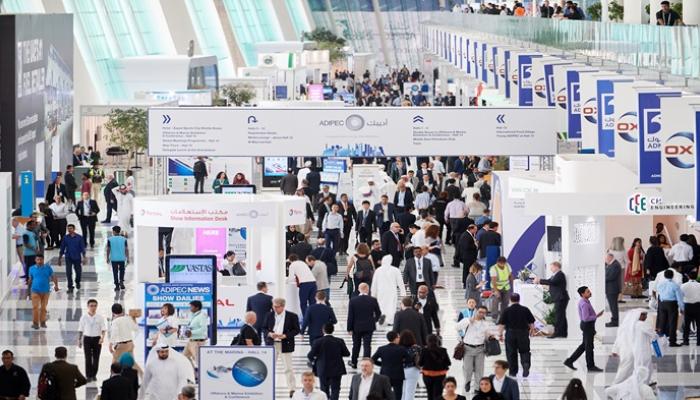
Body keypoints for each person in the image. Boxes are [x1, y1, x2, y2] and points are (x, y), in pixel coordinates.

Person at [455, 306, 500, 393]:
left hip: (480, 349)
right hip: (468, 348)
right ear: (476, 311)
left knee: (479, 370)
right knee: (468, 368)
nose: (481, 314)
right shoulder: (467, 320)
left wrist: (491, 336)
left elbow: (487, 335)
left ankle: (477, 388)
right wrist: (468, 321)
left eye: (483, 312)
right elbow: (457, 327)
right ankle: (467, 381)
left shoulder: (485, 324)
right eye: (480, 312)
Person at [263, 298, 300, 397]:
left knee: (288, 368)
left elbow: (296, 330)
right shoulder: (269, 315)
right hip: (271, 344)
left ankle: (292, 389)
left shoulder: (292, 316)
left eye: (277, 307)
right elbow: (264, 328)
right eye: (273, 306)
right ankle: (266, 387)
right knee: (269, 367)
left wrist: (285, 335)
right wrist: (270, 334)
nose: (274, 308)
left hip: (285, 344)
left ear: (283, 306)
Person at [611, 309, 657, 385]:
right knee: (628, 368)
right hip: (629, 351)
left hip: (629, 350)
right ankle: (618, 384)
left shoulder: (626, 326)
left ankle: (635, 383)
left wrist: (615, 350)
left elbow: (618, 339)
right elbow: (653, 334)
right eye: (644, 315)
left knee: (633, 368)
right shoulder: (639, 325)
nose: (646, 317)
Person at [563, 286, 604, 372]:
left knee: (584, 346)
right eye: (587, 292)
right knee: (589, 347)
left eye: (589, 291)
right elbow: (586, 318)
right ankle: (590, 366)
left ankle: (569, 361)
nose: (590, 292)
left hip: (587, 326)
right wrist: (596, 316)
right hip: (587, 326)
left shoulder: (585, 301)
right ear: (582, 294)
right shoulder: (584, 304)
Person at [307, 323, 349, 400]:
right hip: (337, 369)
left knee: (324, 389)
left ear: (323, 330)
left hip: (322, 369)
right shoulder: (339, 341)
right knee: (335, 389)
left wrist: (315, 361)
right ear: (333, 330)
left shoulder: (318, 341)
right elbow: (347, 353)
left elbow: (310, 355)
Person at [497, 293, 534, 378]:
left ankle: (513, 372)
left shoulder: (507, 310)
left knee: (511, 353)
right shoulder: (525, 309)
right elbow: (531, 322)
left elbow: (501, 324)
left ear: (510, 300)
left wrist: (500, 334)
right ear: (519, 299)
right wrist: (532, 330)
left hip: (511, 333)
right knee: (525, 351)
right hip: (523, 333)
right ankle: (525, 364)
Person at [347, 283, 382, 368]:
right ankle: (367, 364)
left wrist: (349, 328)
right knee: (367, 345)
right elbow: (378, 313)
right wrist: (373, 320)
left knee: (356, 345)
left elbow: (350, 316)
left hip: (356, 327)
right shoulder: (372, 300)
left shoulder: (353, 300)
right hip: (369, 326)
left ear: (359, 289)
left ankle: (354, 362)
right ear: (368, 289)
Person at [534, 262, 569, 338]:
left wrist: (539, 280)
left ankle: (558, 333)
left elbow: (551, 282)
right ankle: (562, 333)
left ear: (556, 267)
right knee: (561, 316)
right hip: (559, 298)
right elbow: (549, 281)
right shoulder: (555, 275)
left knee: (559, 316)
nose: (550, 269)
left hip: (561, 298)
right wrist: (540, 282)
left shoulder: (560, 275)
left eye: (552, 267)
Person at [78, 299, 107, 382]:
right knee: (87, 358)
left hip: (97, 339)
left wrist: (102, 338)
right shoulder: (84, 317)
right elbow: (80, 329)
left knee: (96, 358)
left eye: (95, 306)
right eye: (91, 306)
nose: (93, 308)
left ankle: (94, 374)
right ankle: (88, 375)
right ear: (88, 306)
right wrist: (79, 340)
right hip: (87, 339)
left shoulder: (100, 317)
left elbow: (103, 329)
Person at [372, 331, 407, 398]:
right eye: (398, 337)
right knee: (398, 395)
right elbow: (409, 360)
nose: (399, 339)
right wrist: (401, 363)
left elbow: (372, 360)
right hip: (398, 375)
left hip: (385, 374)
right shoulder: (401, 349)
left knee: (384, 394)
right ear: (395, 338)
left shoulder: (381, 349)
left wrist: (382, 364)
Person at [27, 254, 58, 329]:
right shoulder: (31, 268)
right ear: (35, 260)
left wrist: (56, 285)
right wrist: (28, 291)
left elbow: (53, 276)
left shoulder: (48, 268)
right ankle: (35, 323)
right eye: (38, 259)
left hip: (45, 291)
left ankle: (43, 322)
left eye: (41, 260)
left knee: (43, 308)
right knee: (35, 307)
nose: (39, 261)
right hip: (35, 290)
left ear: (43, 260)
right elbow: (30, 280)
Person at [656, 269, 684, 346]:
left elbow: (659, 294)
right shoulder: (675, 285)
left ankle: (661, 340)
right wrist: (682, 308)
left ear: (664, 276)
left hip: (662, 303)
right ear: (673, 276)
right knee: (672, 323)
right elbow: (679, 298)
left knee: (662, 322)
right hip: (672, 304)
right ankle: (672, 341)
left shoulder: (660, 284)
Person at [419, 334, 451, 400]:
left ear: (427, 341)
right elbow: (448, 363)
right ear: (437, 341)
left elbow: (420, 363)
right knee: (438, 395)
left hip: (427, 375)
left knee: (429, 394)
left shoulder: (424, 351)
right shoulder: (443, 350)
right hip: (440, 376)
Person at [58, 224, 86, 293]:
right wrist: (60, 258)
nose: (69, 230)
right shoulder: (65, 238)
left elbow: (82, 248)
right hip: (68, 257)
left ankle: (77, 281)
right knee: (68, 272)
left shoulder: (79, 237)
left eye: (71, 228)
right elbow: (62, 248)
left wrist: (84, 257)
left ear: (74, 229)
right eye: (68, 228)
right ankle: (70, 286)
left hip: (77, 257)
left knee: (78, 272)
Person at [183, 300, 208, 367]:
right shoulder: (193, 316)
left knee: (198, 361)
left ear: (197, 307)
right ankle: (192, 371)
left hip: (197, 342)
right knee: (184, 357)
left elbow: (203, 329)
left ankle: (201, 373)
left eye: (191, 306)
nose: (190, 308)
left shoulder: (202, 316)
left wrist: (192, 332)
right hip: (191, 341)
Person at [490, 257, 513, 322]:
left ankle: (504, 316)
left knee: (505, 302)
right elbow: (493, 281)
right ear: (498, 263)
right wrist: (496, 291)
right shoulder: (493, 269)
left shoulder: (507, 266)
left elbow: (510, 276)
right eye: (501, 264)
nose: (503, 265)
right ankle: (494, 317)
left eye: (504, 263)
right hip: (496, 287)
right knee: (495, 301)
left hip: (506, 287)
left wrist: (512, 286)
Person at [106, 226, 128, 291]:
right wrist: (128, 257)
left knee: (115, 272)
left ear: (114, 231)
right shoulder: (124, 239)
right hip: (122, 258)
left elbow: (108, 249)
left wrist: (107, 257)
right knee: (122, 270)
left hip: (114, 258)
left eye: (113, 231)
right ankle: (121, 281)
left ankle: (117, 285)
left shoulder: (110, 239)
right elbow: (126, 249)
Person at [682, 271, 700, 345]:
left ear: (688, 277)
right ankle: (699, 341)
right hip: (698, 306)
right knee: (699, 325)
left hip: (687, 306)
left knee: (686, 324)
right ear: (697, 277)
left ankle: (686, 341)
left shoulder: (683, 285)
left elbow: (681, 296)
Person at [604, 253, 622, 327]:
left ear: (610, 257)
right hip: (610, 289)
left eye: (607, 258)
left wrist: (602, 278)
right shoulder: (612, 264)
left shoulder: (615, 265)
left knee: (613, 306)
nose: (606, 260)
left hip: (613, 289)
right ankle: (614, 320)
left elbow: (611, 276)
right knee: (612, 306)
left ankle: (615, 321)